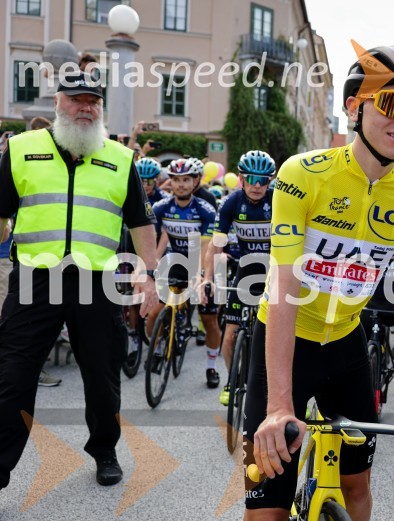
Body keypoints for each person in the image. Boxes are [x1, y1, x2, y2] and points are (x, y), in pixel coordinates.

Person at [240, 45, 394, 521]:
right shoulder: (301, 174)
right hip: (285, 343)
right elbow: (283, 287)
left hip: (347, 348)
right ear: (355, 107)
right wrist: (278, 406)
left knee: (357, 488)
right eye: (392, 103)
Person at [0, 73, 158, 489]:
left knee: (102, 375)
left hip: (97, 282)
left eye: (93, 101)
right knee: (12, 375)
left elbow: (141, 222)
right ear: (58, 102)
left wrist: (151, 276)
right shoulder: (20, 149)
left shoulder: (120, 159)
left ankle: (104, 450)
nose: (85, 107)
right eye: (76, 100)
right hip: (36, 279)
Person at [204, 150, 274, 406]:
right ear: (241, 179)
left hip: (274, 271)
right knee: (231, 333)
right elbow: (216, 244)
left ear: (270, 181)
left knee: (278, 334)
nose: (257, 185)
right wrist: (207, 277)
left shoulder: (278, 201)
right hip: (246, 270)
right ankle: (232, 381)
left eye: (263, 180)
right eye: (252, 179)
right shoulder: (232, 203)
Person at [146, 158, 221, 387]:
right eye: (176, 180)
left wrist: (201, 275)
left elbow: (208, 246)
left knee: (208, 320)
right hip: (175, 261)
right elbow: (154, 238)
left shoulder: (205, 210)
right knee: (154, 314)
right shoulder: (161, 208)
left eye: (186, 180)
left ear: (195, 181)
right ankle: (159, 347)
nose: (180, 185)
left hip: (202, 261)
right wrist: (152, 265)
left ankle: (211, 367)